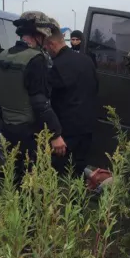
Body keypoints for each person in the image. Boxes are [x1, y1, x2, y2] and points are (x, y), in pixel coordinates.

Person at [0, 11, 66, 168]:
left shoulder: (2, 56)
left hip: (8, 128)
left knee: (15, 173)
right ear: (39, 34)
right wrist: (55, 134)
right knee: (34, 177)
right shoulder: (35, 59)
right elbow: (40, 101)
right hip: (29, 131)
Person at [44, 29, 99, 176]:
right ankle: (78, 198)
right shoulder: (86, 60)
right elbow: (95, 88)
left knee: (60, 172)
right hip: (87, 126)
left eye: (46, 48)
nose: (46, 51)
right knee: (80, 170)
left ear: (51, 44)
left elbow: (48, 98)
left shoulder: (56, 66)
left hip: (66, 131)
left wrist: (54, 132)